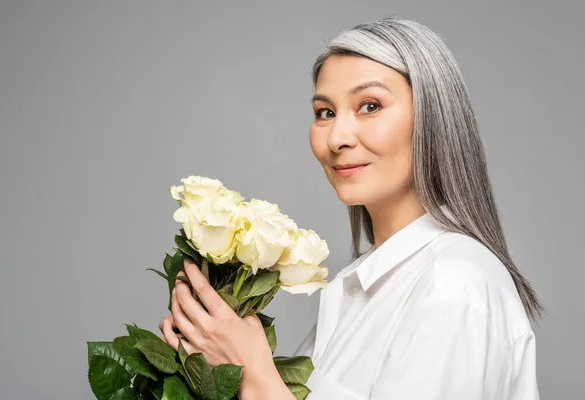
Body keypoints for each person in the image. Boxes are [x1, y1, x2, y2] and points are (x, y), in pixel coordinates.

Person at [159, 17, 542, 400]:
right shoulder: (357, 283)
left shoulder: (453, 284)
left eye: (370, 106)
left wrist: (253, 374)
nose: (337, 138)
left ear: (432, 118)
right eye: (325, 112)